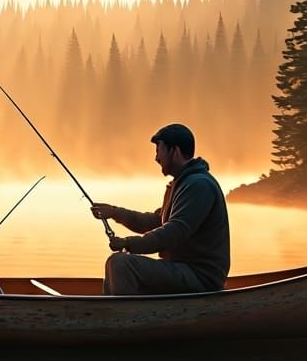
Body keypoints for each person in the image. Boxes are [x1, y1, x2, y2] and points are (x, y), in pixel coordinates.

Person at [91, 123, 229, 296]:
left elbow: (174, 231)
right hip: (182, 269)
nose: (156, 158)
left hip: (201, 277)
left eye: (159, 150)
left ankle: (125, 320)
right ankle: (119, 315)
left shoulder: (199, 185)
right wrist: (114, 212)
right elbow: (156, 221)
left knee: (120, 265)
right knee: (117, 266)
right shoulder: (181, 183)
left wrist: (128, 243)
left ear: (174, 151)